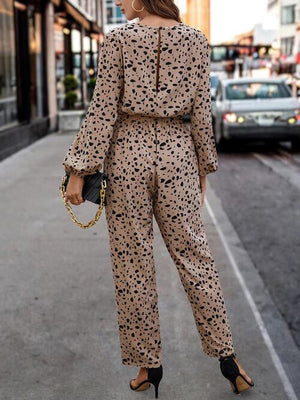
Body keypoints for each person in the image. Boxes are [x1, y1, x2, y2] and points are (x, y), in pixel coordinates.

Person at [62, 0, 254, 397]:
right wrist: (203, 168)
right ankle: (229, 360)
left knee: (133, 264)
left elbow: (102, 111)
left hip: (126, 155)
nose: (117, 2)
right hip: (178, 155)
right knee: (195, 256)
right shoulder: (196, 41)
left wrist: (78, 171)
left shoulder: (117, 41)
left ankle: (148, 366)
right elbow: (202, 112)